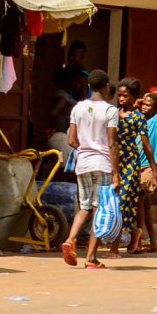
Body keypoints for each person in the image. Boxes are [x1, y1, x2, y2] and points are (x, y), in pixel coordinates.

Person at [62, 69, 119, 269]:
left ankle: (70, 239)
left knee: (84, 207)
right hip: (102, 164)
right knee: (99, 211)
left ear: (89, 86)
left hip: (83, 163)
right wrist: (116, 173)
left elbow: (71, 139)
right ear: (105, 87)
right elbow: (112, 143)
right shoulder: (110, 111)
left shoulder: (78, 108)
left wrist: (86, 147)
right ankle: (91, 257)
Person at [109, 77, 157, 257]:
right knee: (117, 203)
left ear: (133, 96)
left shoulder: (138, 117)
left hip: (130, 162)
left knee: (122, 203)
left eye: (125, 96)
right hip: (114, 161)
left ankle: (115, 248)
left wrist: (154, 171)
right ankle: (135, 232)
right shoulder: (113, 113)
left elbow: (146, 146)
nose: (121, 99)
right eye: (119, 96)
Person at [135, 90, 157, 253]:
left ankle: (138, 240)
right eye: (143, 104)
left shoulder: (156, 121)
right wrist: (137, 104)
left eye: (148, 105)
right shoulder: (138, 120)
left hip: (149, 165)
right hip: (136, 165)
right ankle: (153, 241)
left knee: (140, 202)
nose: (144, 107)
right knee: (145, 205)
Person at [48, 66, 78, 154]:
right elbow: (53, 112)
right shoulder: (63, 97)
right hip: (61, 136)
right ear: (69, 81)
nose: (77, 84)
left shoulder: (66, 95)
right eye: (75, 81)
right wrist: (57, 127)